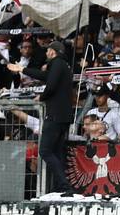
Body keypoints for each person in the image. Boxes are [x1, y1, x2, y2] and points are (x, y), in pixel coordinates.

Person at [8, 40, 73, 192]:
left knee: (44, 151)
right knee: (56, 151)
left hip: (55, 115)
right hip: (63, 115)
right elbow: (45, 76)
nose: (45, 54)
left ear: (52, 51)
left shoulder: (57, 63)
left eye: (47, 51)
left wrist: (41, 97)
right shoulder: (63, 65)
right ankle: (60, 187)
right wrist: (22, 69)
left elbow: (50, 86)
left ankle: (64, 185)